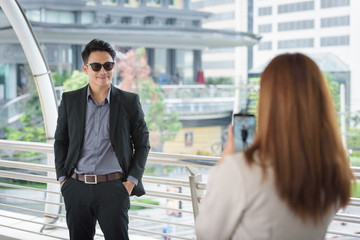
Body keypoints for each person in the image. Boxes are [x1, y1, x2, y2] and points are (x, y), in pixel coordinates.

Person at [195, 53, 355, 240]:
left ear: (268, 103)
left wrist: (226, 160)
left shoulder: (241, 170)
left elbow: (206, 234)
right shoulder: (332, 171)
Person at [54, 39, 150, 240]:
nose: (103, 71)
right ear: (85, 68)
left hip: (114, 188)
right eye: (96, 66)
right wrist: (63, 180)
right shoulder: (70, 100)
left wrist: (131, 182)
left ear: (113, 67)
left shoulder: (129, 102)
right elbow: (61, 141)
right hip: (76, 188)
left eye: (108, 65)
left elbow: (142, 144)